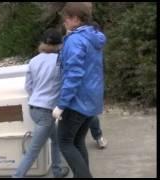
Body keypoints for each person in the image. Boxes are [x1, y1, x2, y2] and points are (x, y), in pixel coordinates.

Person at [52, 2, 106, 178]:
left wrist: (61, 104)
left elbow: (73, 75)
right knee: (77, 141)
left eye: (66, 18)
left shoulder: (75, 40)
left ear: (75, 19)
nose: (64, 21)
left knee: (65, 142)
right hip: (92, 99)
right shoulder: (92, 36)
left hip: (77, 101)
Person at [12, 28, 69, 178]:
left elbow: (28, 87)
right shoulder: (59, 61)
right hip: (47, 111)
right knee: (33, 151)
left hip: (34, 108)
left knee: (56, 140)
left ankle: (57, 171)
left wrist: (38, 97)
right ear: (60, 45)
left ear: (42, 43)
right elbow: (65, 85)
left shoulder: (33, 61)